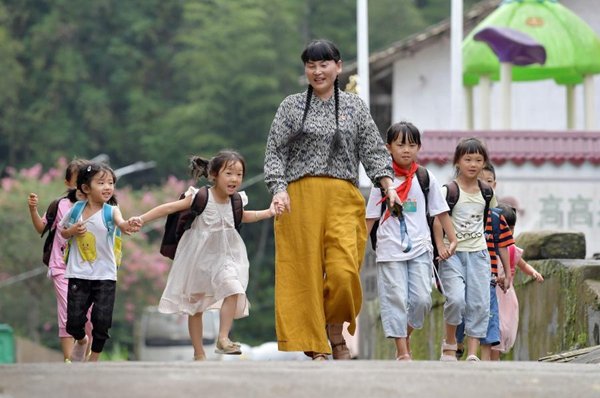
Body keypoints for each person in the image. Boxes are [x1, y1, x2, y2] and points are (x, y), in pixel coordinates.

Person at [264, 39, 401, 360]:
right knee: (303, 273)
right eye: (311, 65)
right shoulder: (291, 106)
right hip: (299, 198)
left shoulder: (354, 107)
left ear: (338, 67)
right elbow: (274, 152)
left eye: (324, 64)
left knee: (343, 272)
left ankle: (335, 329)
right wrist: (278, 188)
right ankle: (319, 347)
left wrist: (388, 185)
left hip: (343, 196)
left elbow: (372, 149)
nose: (317, 71)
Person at [130, 150, 277, 360]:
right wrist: (142, 219)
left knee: (234, 289)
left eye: (239, 174)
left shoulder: (236, 201)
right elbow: (169, 207)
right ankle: (199, 353)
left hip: (225, 257)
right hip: (198, 260)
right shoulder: (201, 197)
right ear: (214, 175)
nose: (234, 179)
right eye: (229, 173)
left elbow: (245, 216)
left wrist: (268, 212)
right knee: (196, 308)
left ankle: (223, 338)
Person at [365, 121, 457, 361]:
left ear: (419, 148)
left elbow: (441, 211)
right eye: (400, 144)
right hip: (389, 250)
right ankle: (403, 352)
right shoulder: (381, 181)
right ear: (389, 148)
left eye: (412, 145)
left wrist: (452, 239)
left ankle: (404, 335)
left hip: (420, 249)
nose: (406, 150)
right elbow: (370, 219)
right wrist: (355, 250)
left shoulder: (425, 178)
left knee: (421, 300)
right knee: (395, 298)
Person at [59, 162, 136, 362]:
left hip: (105, 275)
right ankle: (82, 340)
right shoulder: (76, 210)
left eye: (111, 182)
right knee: (73, 323)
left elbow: (121, 223)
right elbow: (63, 231)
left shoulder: (111, 211)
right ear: (86, 188)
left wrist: (127, 225)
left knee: (102, 321)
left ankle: (94, 360)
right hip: (78, 274)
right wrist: (72, 231)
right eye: (101, 183)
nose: (108, 187)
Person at [433, 137, 500, 362]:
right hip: (452, 256)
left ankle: (472, 353)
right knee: (456, 299)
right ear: (458, 161)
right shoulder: (448, 190)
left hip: (479, 255)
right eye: (468, 159)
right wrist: (441, 245)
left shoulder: (487, 193)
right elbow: (438, 220)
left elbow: (490, 224)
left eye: (478, 160)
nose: (473, 164)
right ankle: (450, 343)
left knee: (479, 303)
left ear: (484, 163)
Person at [27, 158, 93, 362]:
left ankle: (84, 352)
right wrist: (33, 209)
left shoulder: (97, 206)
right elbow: (41, 228)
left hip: (88, 268)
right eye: (77, 179)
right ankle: (68, 360)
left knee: (87, 313)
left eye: (86, 179)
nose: (82, 184)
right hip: (61, 266)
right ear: (68, 183)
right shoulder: (60, 205)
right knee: (67, 311)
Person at [455, 163, 514, 360]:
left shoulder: (496, 217)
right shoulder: (460, 211)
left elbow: (504, 246)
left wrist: (506, 272)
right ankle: (456, 344)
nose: (482, 185)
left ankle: (483, 361)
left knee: (487, 317)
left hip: (487, 277)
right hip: (461, 272)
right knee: (460, 310)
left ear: (493, 186)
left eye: (487, 181)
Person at [492, 203, 544, 360]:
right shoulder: (489, 249)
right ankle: (490, 361)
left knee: (505, 330)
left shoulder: (512, 250)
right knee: (495, 329)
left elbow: (523, 264)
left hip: (507, 298)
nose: (508, 233)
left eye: (511, 229)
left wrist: (533, 272)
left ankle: (495, 361)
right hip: (493, 295)